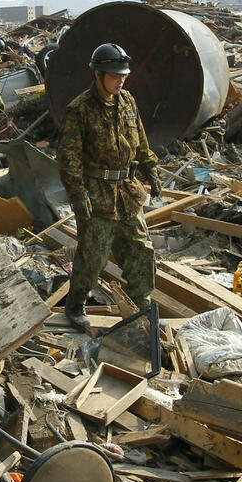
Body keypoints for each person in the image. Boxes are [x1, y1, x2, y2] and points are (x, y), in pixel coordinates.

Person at [56, 43, 161, 330]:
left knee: (141, 249)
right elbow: (68, 157)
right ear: (98, 75)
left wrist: (151, 168)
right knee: (94, 255)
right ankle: (76, 303)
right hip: (97, 194)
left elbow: (139, 141)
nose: (120, 81)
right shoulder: (80, 110)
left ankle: (142, 304)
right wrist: (77, 194)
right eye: (114, 76)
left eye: (123, 76)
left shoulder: (127, 101)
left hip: (128, 191)